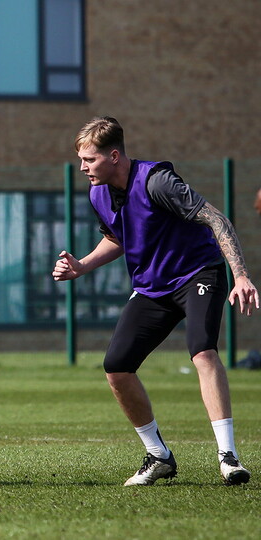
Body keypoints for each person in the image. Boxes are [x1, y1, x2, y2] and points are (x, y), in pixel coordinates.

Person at [53, 116, 256, 486]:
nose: (83, 168)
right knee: (116, 366)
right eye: (81, 160)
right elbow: (117, 237)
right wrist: (82, 266)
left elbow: (217, 220)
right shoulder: (98, 192)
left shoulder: (156, 181)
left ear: (114, 156)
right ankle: (158, 456)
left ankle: (228, 457)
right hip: (152, 288)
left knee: (202, 351)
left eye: (90, 160)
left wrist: (240, 275)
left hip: (198, 273)